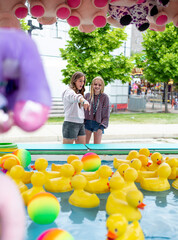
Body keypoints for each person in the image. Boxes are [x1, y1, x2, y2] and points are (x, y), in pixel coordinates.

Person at [62, 72, 90, 144]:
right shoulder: (69, 92)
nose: (82, 83)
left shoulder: (78, 93)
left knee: (81, 149)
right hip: (70, 123)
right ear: (74, 81)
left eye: (83, 81)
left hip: (80, 123)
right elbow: (75, 97)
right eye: (80, 81)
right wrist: (84, 101)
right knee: (68, 151)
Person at [84, 76, 110, 144]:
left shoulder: (105, 97)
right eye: (95, 84)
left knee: (96, 147)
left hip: (98, 124)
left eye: (99, 85)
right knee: (84, 146)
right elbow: (83, 110)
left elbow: (106, 113)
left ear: (102, 86)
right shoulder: (87, 95)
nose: (97, 86)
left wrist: (102, 126)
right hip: (87, 123)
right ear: (92, 85)